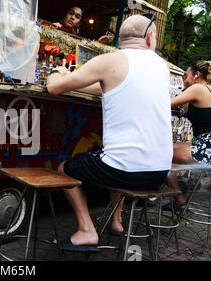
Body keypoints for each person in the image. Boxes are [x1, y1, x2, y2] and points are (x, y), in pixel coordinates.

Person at [46, 14, 172, 251]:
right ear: (149, 38)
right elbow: (110, 86)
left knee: (64, 168)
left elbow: (53, 87)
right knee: (112, 155)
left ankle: (86, 230)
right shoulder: (161, 67)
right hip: (159, 173)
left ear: (120, 39)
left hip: (124, 170)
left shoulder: (110, 61)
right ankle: (117, 222)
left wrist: (57, 71)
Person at [165, 60, 211, 211]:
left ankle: (178, 197)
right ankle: (182, 184)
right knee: (171, 148)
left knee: (160, 152)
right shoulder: (207, 89)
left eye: (186, 75)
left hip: (206, 148)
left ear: (197, 75)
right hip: (205, 145)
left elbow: (166, 103)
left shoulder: (199, 88)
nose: (184, 79)